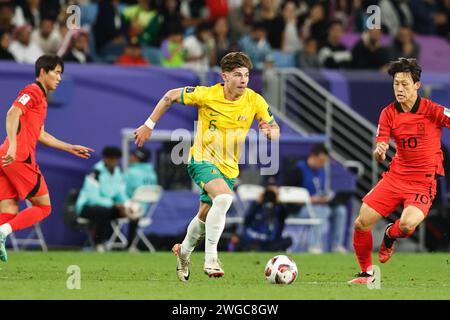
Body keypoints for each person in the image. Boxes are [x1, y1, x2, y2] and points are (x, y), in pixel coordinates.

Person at [134, 51, 280, 281]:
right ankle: (211, 258)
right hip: (201, 160)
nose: (243, 80)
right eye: (237, 75)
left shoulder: (255, 100)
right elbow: (170, 96)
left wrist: (270, 132)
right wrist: (148, 125)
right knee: (224, 199)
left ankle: (183, 251)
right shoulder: (207, 95)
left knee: (204, 216)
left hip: (228, 168)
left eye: (246, 75)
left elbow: (275, 129)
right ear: (225, 76)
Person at [349, 58, 450, 284]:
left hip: (423, 182)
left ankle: (390, 234)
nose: (400, 89)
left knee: (406, 224)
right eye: (396, 84)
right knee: (361, 222)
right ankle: (367, 273)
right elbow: (380, 143)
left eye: (405, 84)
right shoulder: (388, 113)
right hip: (396, 177)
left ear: (417, 85)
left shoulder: (432, 110)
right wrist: (380, 150)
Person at [0, 54, 94, 262]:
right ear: (43, 72)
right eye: (56, 72)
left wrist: (69, 147)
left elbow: (40, 134)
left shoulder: (41, 99)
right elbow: (12, 113)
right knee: (43, 207)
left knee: (9, 209)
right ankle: (3, 232)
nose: (60, 78)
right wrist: (14, 146)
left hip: (5, 158)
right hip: (18, 158)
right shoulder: (33, 91)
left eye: (61, 73)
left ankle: (2, 230)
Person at [286, 144, 349, 253]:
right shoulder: (297, 170)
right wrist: (310, 200)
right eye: (321, 160)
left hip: (319, 205)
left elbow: (320, 191)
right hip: (299, 209)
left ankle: (337, 246)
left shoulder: (322, 171)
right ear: (313, 156)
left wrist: (325, 198)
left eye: (324, 161)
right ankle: (314, 246)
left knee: (340, 211)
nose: (322, 164)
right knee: (322, 211)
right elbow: (288, 194)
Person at [75, 146, 139, 252]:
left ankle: (130, 246)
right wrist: (114, 205)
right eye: (111, 159)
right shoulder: (95, 172)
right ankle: (98, 244)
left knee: (134, 212)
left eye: (116, 159)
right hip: (86, 207)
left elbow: (120, 193)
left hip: (109, 207)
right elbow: (93, 198)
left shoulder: (118, 172)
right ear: (105, 158)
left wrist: (126, 205)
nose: (114, 161)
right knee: (104, 211)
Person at [230, 178, 292, 252]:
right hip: (254, 238)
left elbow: (284, 216)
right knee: (240, 242)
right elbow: (247, 220)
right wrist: (258, 203)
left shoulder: (279, 207)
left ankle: (256, 249)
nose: (270, 194)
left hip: (271, 240)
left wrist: (278, 200)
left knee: (288, 240)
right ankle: (255, 248)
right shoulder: (257, 204)